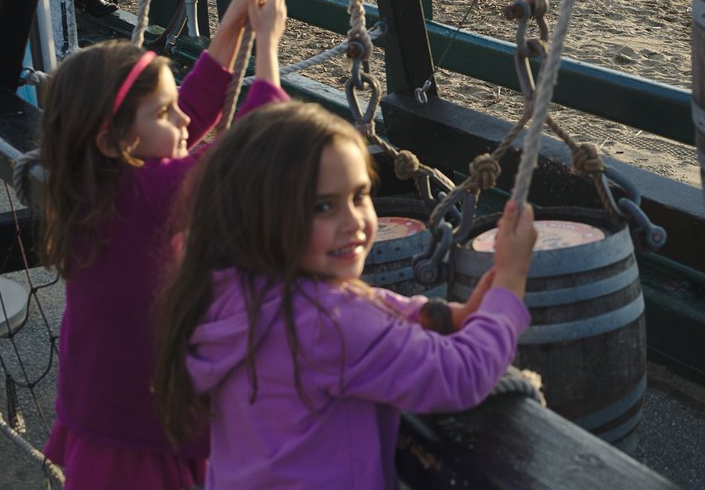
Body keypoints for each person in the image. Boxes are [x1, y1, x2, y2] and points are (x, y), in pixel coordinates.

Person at [154, 102, 538, 490]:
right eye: (323, 206)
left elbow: (362, 308)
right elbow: (460, 375)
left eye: (359, 196)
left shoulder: (222, 290)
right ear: (259, 215)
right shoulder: (329, 322)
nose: (353, 221)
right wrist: (509, 284)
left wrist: (434, 317)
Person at [37, 0, 289, 489]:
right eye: (162, 110)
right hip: (141, 436)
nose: (183, 119)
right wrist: (266, 46)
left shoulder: (96, 185)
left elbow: (184, 115)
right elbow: (259, 151)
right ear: (113, 141)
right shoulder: (150, 196)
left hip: (101, 416)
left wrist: (228, 32)